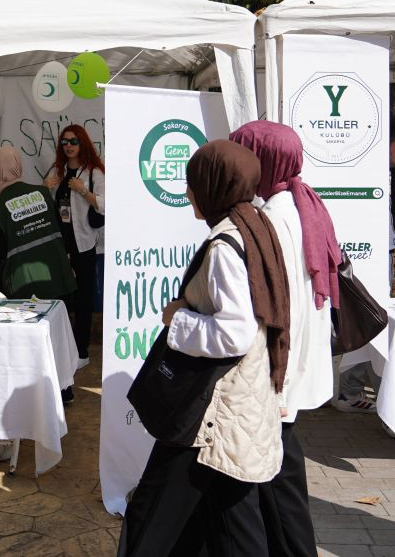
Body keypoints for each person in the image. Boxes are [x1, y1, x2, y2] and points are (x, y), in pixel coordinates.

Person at [118, 140, 290, 556]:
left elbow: (234, 333)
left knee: (151, 515)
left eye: (193, 183)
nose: (188, 193)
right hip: (237, 406)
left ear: (214, 186)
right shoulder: (256, 226)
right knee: (233, 523)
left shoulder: (225, 247)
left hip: (211, 412)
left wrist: (177, 317)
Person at [230, 121, 337, 557]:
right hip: (294, 365)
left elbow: (274, 305)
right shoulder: (301, 203)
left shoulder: (272, 220)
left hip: (280, 370)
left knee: (279, 481)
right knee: (280, 476)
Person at [335, 119, 395, 413]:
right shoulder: (369, 177)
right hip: (371, 257)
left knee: (372, 319)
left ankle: (350, 389)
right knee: (373, 319)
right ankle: (354, 391)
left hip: (381, 253)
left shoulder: (383, 178)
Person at [44, 124, 105, 367]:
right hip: (61, 243)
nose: (68, 146)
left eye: (73, 141)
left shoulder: (94, 173)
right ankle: (61, 348)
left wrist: (83, 191)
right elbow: (52, 207)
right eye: (65, 142)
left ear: (83, 144)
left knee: (83, 298)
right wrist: (47, 187)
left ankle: (81, 351)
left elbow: (105, 204)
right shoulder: (57, 171)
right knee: (62, 296)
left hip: (84, 243)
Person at [0, 145, 76, 300]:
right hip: (58, 276)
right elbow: (62, 228)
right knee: (59, 322)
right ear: (18, 164)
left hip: (23, 284)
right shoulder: (42, 193)